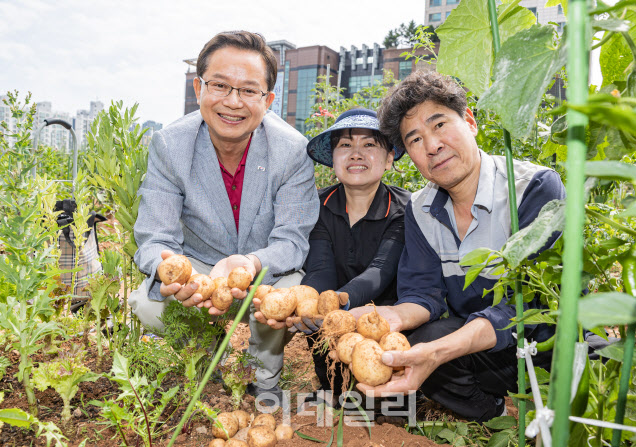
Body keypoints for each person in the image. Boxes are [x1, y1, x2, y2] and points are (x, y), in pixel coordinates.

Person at [340, 71, 567, 423]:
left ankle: (553, 402)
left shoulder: (533, 188)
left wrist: (441, 351)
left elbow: (532, 308)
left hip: (553, 347)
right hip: (487, 350)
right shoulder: (420, 209)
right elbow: (423, 294)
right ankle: (491, 413)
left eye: (440, 124)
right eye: (415, 139)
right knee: (421, 339)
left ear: (470, 121)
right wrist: (392, 317)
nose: (432, 146)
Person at [129, 31, 319, 402]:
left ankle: (263, 381)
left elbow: (292, 240)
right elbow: (154, 238)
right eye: (220, 85)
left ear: (268, 100)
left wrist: (250, 262)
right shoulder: (170, 144)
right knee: (149, 305)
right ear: (199, 87)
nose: (233, 102)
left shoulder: (292, 150)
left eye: (249, 90)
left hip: (262, 270)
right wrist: (172, 269)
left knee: (288, 291)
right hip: (198, 268)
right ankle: (208, 365)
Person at [257, 108, 410, 403]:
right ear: (333, 159)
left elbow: (381, 270)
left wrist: (339, 303)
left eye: (369, 145)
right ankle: (333, 387)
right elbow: (321, 267)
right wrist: (309, 303)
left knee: (385, 400)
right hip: (332, 320)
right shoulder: (318, 205)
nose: (356, 154)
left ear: (389, 158)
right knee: (338, 391)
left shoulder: (403, 209)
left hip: (385, 318)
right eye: (345, 145)